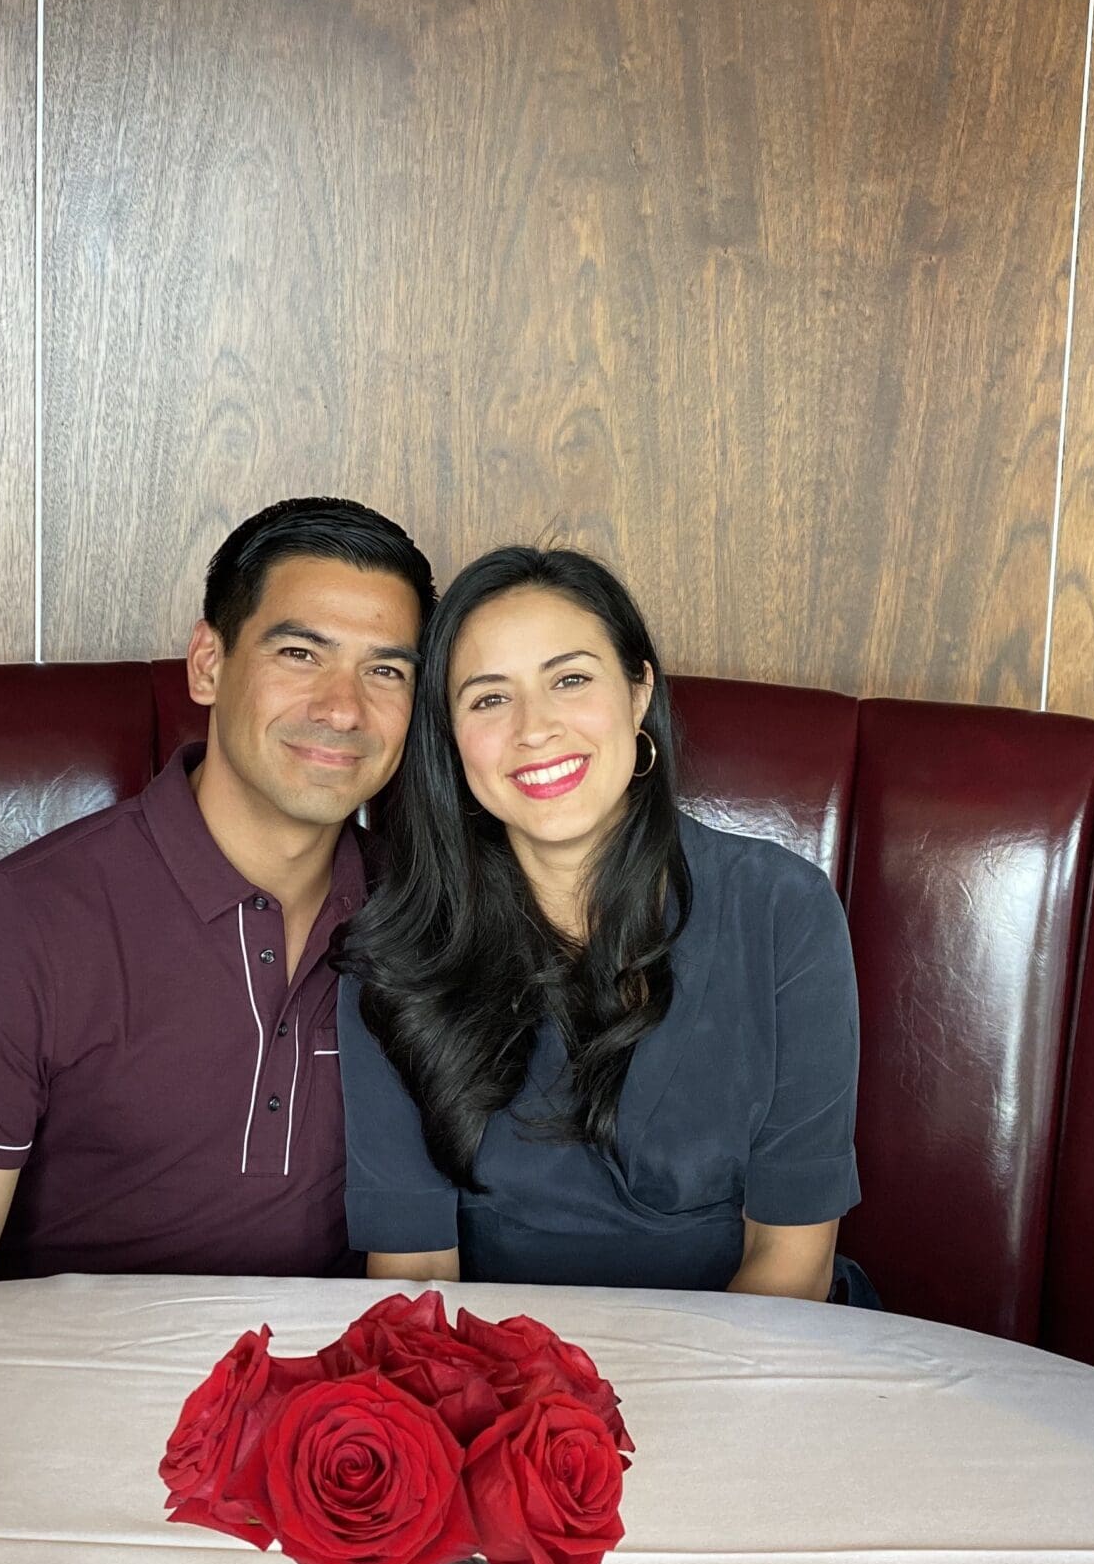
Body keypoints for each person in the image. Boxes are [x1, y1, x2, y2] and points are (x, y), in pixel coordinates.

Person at [0, 498, 435, 1282]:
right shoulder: (24, 925)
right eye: (300, 655)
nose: (343, 708)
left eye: (385, 670)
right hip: (81, 1391)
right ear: (208, 664)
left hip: (330, 1396)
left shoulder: (430, 921)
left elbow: (421, 1279)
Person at [337, 545, 859, 1297]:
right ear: (450, 742)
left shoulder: (783, 913)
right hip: (503, 1385)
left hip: (752, 1368)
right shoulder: (399, 951)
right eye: (489, 699)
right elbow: (415, 1277)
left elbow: (791, 1263)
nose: (535, 729)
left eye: (571, 679)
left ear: (638, 691)